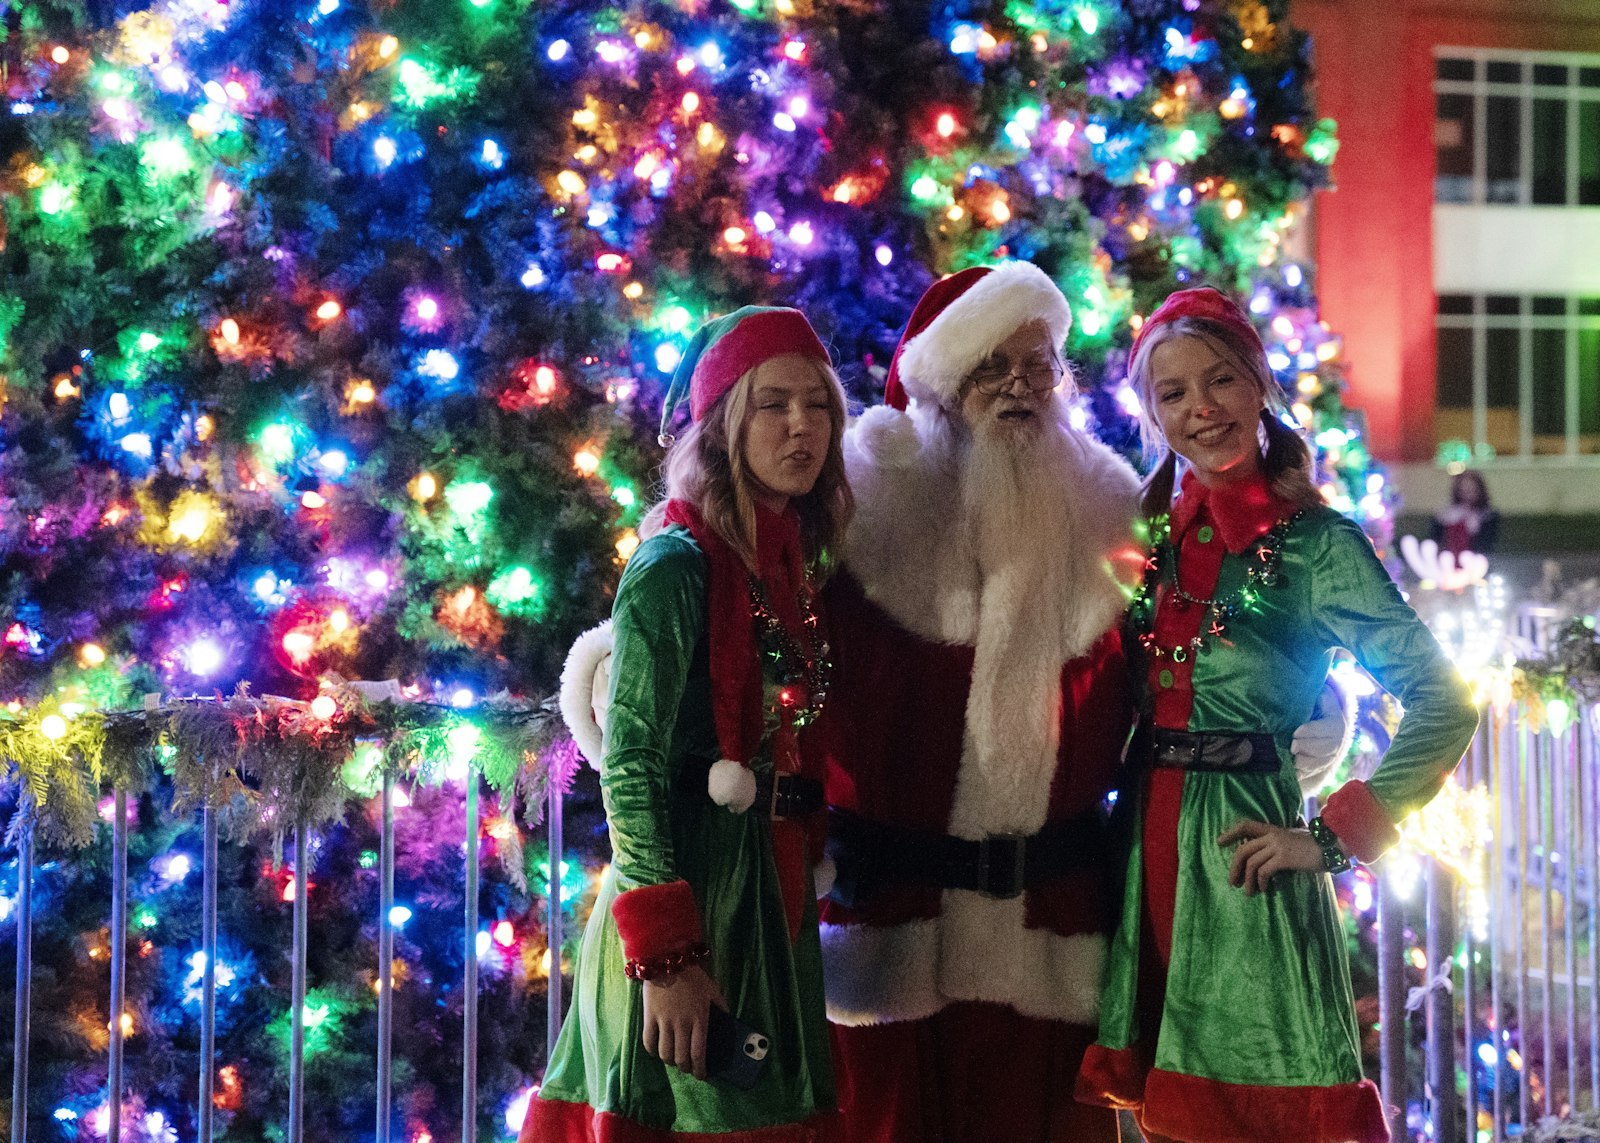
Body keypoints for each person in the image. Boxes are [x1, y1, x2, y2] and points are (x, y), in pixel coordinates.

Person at [1074, 287, 1480, 1143]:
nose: (1201, 409)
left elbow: (1443, 697)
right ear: (1150, 411)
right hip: (1138, 854)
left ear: (1259, 384)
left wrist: (1334, 834)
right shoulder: (1141, 536)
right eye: (1173, 393)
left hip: (1242, 865)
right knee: (1145, 1113)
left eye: (1219, 381)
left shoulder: (1316, 545)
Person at [814, 261, 1146, 1143]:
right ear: (943, 386)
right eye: (990, 367)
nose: (1018, 389)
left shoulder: (1113, 515)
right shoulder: (856, 513)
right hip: (891, 939)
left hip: (1056, 938)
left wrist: (1282, 713)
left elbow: (1193, 657)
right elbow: (741, 593)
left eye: (1037, 365)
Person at [524, 307, 849, 1142]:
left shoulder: (787, 561)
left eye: (817, 405)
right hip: (694, 903)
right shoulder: (676, 563)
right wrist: (666, 957)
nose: (801, 426)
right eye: (774, 404)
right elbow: (629, 766)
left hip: (766, 896)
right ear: (726, 421)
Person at [1432, 469, 1499, 556]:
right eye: (1463, 491)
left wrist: (1474, 529)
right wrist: (1441, 522)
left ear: (1479, 491)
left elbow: (1488, 546)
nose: (1467, 495)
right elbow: (1435, 541)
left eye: (1471, 490)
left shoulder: (1489, 516)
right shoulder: (1448, 514)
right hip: (1448, 561)